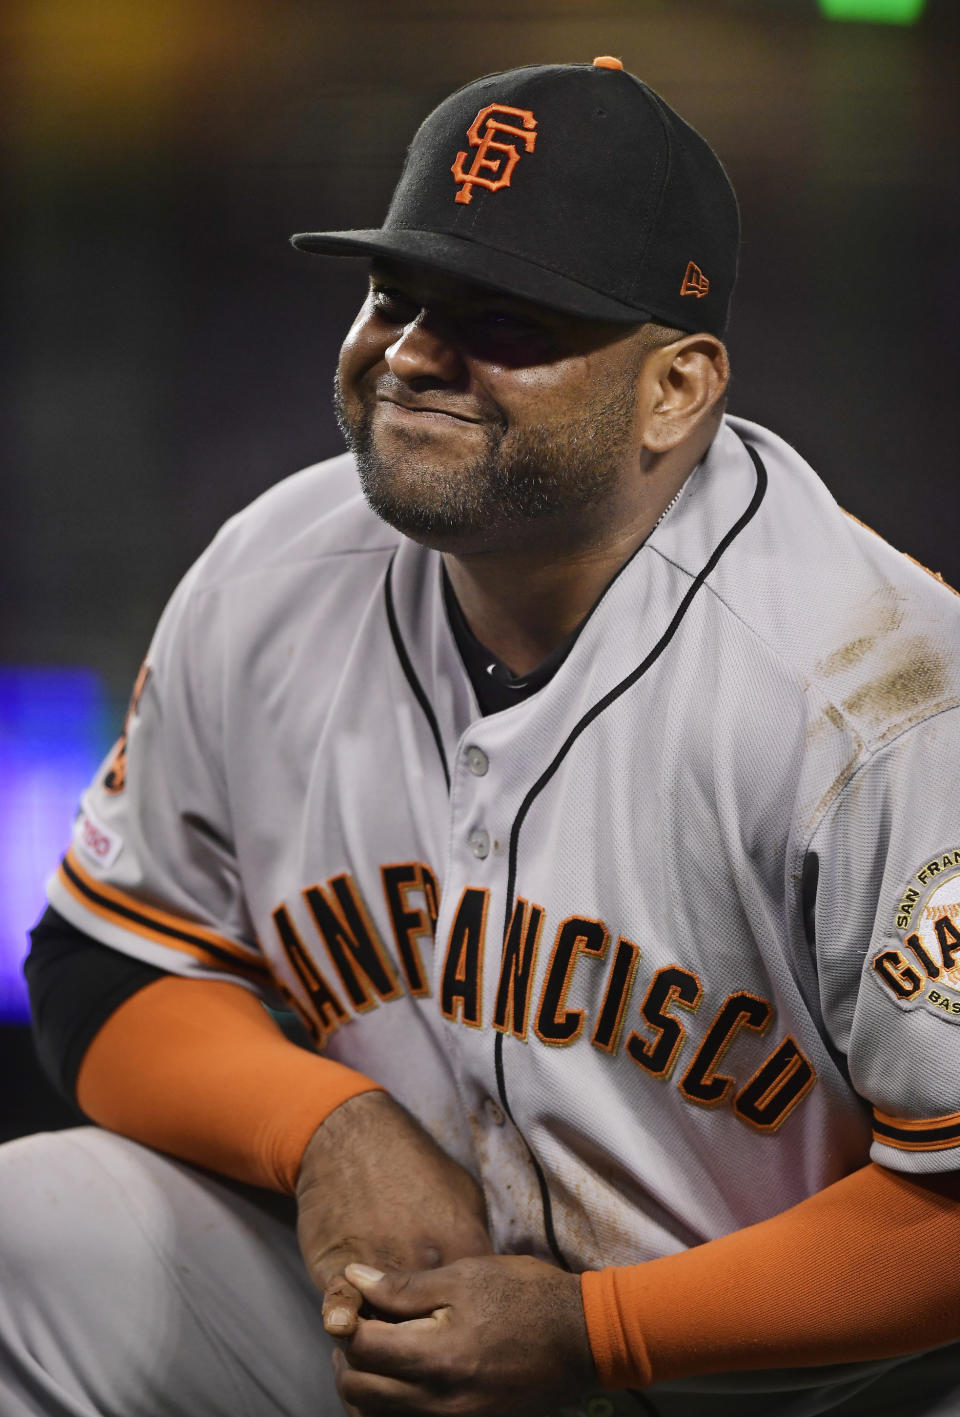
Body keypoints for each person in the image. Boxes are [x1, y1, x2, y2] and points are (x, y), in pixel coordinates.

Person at [2, 56, 959, 1417]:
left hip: (798, 1386)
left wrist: (603, 1329)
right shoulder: (270, 572)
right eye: (397, 295)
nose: (409, 355)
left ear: (676, 389)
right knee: (27, 1236)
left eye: (504, 318)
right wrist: (322, 1125)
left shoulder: (881, 694)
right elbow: (102, 958)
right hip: (413, 1335)